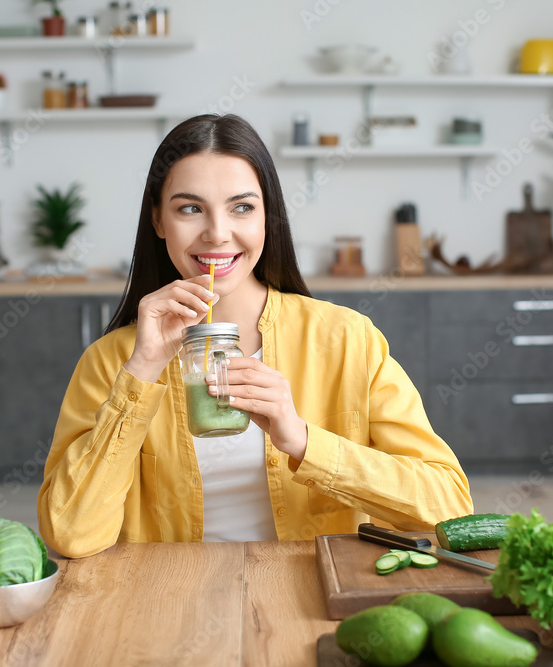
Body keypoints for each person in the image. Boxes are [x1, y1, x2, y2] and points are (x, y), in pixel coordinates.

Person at [37, 114, 473, 558]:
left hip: (309, 604)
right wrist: (142, 371)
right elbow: (70, 533)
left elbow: (450, 508)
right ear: (158, 220)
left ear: (268, 217)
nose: (217, 233)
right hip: (164, 607)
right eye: (190, 208)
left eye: (241, 207)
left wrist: (303, 442)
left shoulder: (348, 340)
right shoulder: (113, 361)